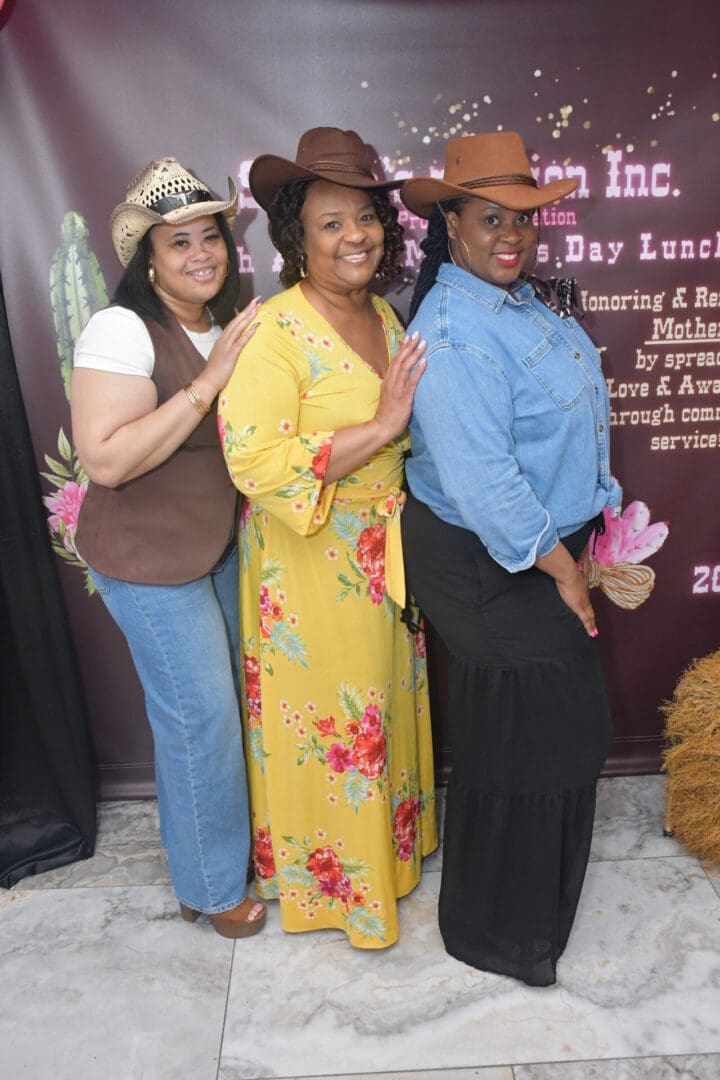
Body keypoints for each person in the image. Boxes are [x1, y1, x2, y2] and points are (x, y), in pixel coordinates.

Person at [399, 132, 622, 985]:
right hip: (490, 556)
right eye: (490, 218)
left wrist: (586, 532)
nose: (511, 235)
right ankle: (498, 934)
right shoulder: (455, 333)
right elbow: (489, 489)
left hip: (532, 547)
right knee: (539, 730)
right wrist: (566, 572)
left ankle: (522, 916)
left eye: (524, 220)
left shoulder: (517, 303)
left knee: (547, 734)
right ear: (449, 224)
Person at [219, 127, 438, 948]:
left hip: (385, 552)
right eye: (331, 223)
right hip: (309, 559)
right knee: (333, 723)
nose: (356, 236)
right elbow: (254, 459)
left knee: (377, 709)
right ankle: (339, 894)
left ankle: (387, 863)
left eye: (366, 219)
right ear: (295, 239)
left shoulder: (382, 310)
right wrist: (383, 425)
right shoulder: (276, 330)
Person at [71, 157, 266, 939]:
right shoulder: (121, 329)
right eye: (178, 243)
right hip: (148, 562)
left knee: (209, 718)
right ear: (147, 258)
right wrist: (209, 381)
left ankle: (199, 867)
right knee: (201, 722)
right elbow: (108, 459)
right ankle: (215, 889)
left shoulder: (222, 319)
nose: (200, 255)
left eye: (209, 237)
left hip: (212, 547)